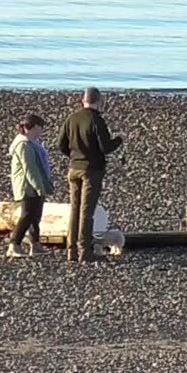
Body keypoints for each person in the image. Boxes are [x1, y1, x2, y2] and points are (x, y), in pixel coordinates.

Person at [57, 87, 122, 263]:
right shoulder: (96, 120)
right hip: (91, 170)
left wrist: (74, 155)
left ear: (82, 100)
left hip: (74, 168)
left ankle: (71, 251)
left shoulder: (72, 119)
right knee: (87, 212)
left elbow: (61, 144)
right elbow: (105, 147)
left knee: (75, 210)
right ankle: (84, 251)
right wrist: (118, 141)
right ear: (99, 102)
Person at [6, 113, 52, 259]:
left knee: (35, 217)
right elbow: (30, 168)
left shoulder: (33, 143)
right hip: (27, 187)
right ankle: (14, 244)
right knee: (27, 216)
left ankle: (35, 244)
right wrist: (39, 187)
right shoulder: (24, 145)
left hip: (35, 185)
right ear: (29, 128)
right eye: (39, 128)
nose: (40, 131)